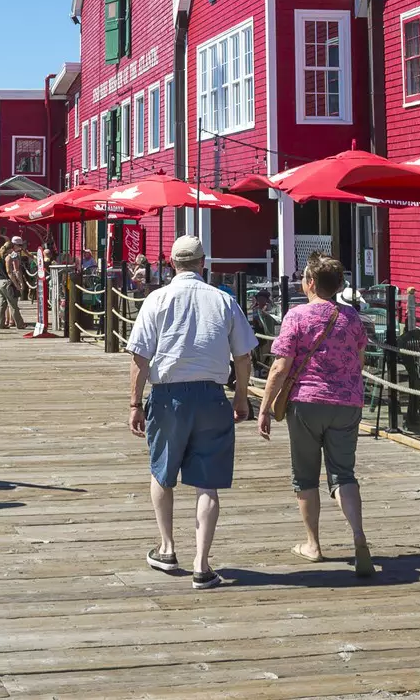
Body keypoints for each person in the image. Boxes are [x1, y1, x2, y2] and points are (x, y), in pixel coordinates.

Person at [126, 235, 256, 590]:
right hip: (212, 396)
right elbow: (243, 356)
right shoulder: (224, 300)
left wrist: (135, 403)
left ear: (171, 264)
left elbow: (140, 357)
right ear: (203, 263)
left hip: (168, 396)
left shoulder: (157, 299)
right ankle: (202, 563)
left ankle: (167, 548)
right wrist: (241, 398)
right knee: (207, 482)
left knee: (162, 470)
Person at [256, 253, 375, 577]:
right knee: (344, 475)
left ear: (310, 282)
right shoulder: (352, 318)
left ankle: (313, 545)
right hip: (347, 403)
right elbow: (360, 360)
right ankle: (358, 535)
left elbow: (280, 368)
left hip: (307, 403)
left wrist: (265, 409)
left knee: (305, 476)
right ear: (338, 285)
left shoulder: (297, 316)